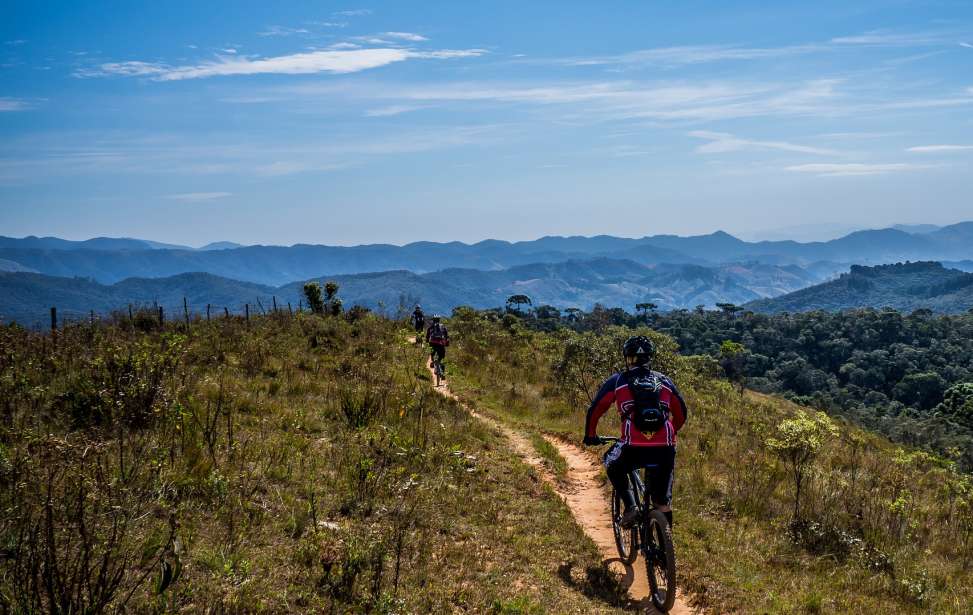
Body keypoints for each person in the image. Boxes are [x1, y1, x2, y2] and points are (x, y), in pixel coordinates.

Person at [583, 335, 688, 529]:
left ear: (627, 358)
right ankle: (665, 549)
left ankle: (631, 507)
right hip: (664, 448)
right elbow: (681, 413)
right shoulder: (665, 381)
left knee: (610, 462)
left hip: (632, 447)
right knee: (662, 502)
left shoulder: (618, 381)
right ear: (650, 357)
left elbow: (596, 409)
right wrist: (671, 432)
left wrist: (590, 435)